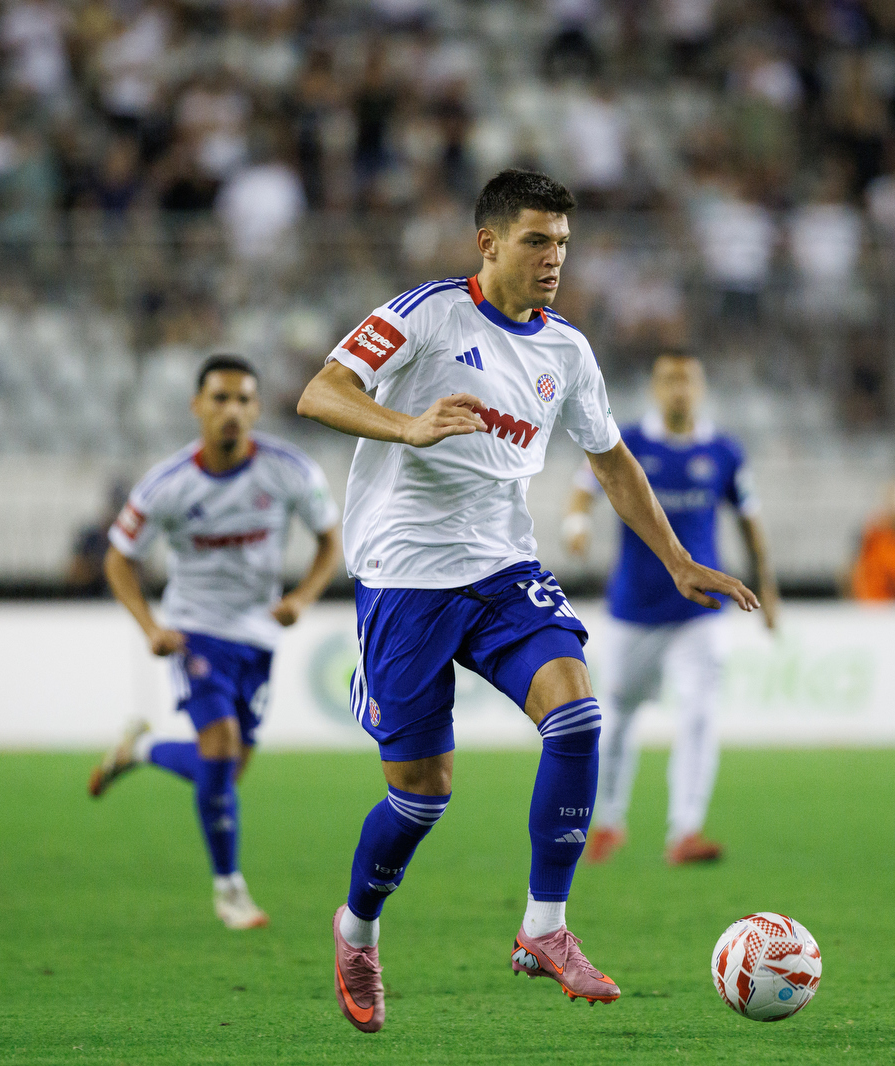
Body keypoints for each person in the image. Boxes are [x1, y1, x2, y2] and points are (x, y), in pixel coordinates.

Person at [297, 169, 759, 1032]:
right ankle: (357, 930)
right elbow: (319, 391)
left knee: (577, 714)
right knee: (421, 797)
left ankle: (544, 928)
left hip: (504, 567)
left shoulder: (567, 351)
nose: (554, 259)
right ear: (489, 243)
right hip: (405, 574)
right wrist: (408, 425)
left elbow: (612, 460)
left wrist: (678, 560)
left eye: (563, 244)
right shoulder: (426, 314)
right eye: (537, 241)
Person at [88, 354, 341, 931]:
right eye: (220, 398)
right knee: (221, 750)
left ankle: (140, 750)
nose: (232, 410)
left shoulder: (289, 471)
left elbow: (330, 540)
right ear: (197, 406)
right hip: (195, 631)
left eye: (243, 399)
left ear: (257, 408)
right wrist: (152, 627)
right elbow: (118, 559)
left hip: (258, 636)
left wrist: (301, 599)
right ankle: (230, 891)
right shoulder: (167, 484)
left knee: (225, 772)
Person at [563, 351, 779, 867]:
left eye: (687, 380)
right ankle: (608, 821)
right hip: (634, 608)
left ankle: (685, 830)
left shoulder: (724, 452)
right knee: (616, 716)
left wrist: (767, 590)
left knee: (700, 713)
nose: (678, 389)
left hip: (700, 609)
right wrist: (577, 525)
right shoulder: (628, 441)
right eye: (668, 379)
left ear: (700, 388)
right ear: (654, 388)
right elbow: (583, 487)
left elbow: (749, 521)